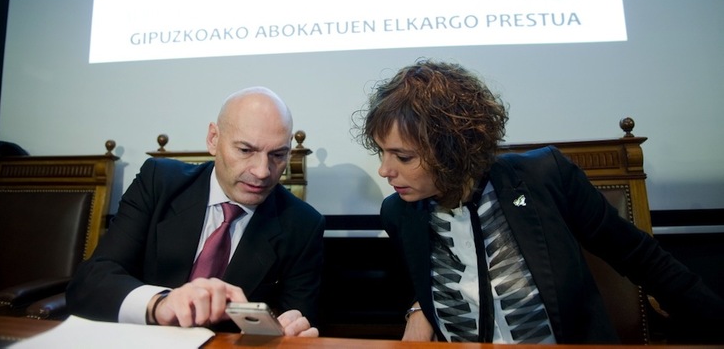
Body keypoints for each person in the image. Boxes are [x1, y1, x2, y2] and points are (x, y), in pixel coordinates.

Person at [354, 59, 724, 344]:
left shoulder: (544, 178)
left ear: (454, 149)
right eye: (381, 152)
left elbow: (643, 259)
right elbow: (434, 283)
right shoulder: (400, 213)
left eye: (403, 157)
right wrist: (419, 307)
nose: (385, 170)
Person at [67, 87, 324, 336]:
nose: (262, 171)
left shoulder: (302, 225)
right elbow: (91, 281)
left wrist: (291, 328)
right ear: (213, 139)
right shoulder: (159, 183)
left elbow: (297, 318)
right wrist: (159, 304)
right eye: (246, 150)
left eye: (278, 155)